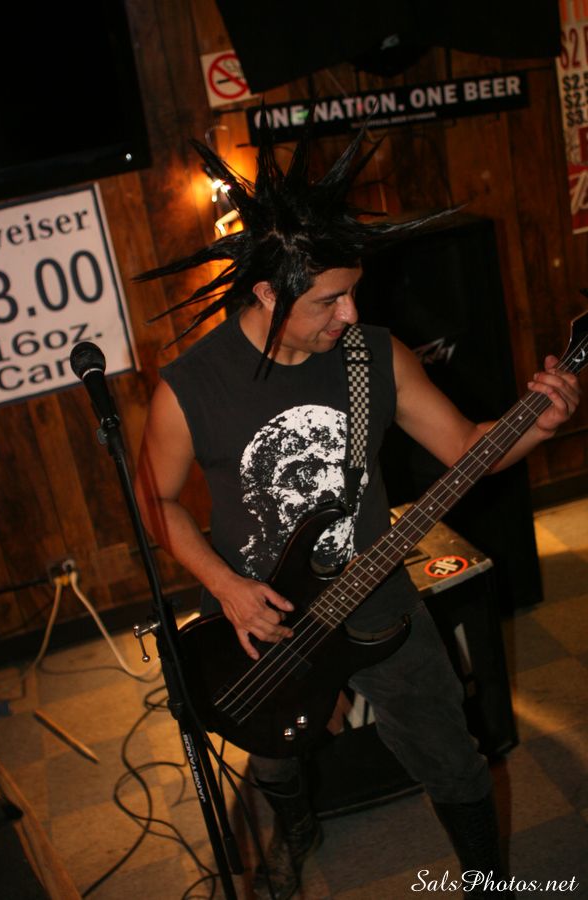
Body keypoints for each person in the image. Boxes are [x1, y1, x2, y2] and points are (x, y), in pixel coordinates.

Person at [134, 122, 580, 900]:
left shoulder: (373, 354)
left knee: (452, 754)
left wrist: (538, 426)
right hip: (260, 611)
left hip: (376, 597)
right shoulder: (192, 387)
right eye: (328, 300)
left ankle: (486, 882)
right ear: (267, 292)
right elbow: (154, 499)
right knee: (273, 745)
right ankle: (294, 822)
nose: (348, 314)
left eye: (352, 292)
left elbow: (466, 448)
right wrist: (226, 586)